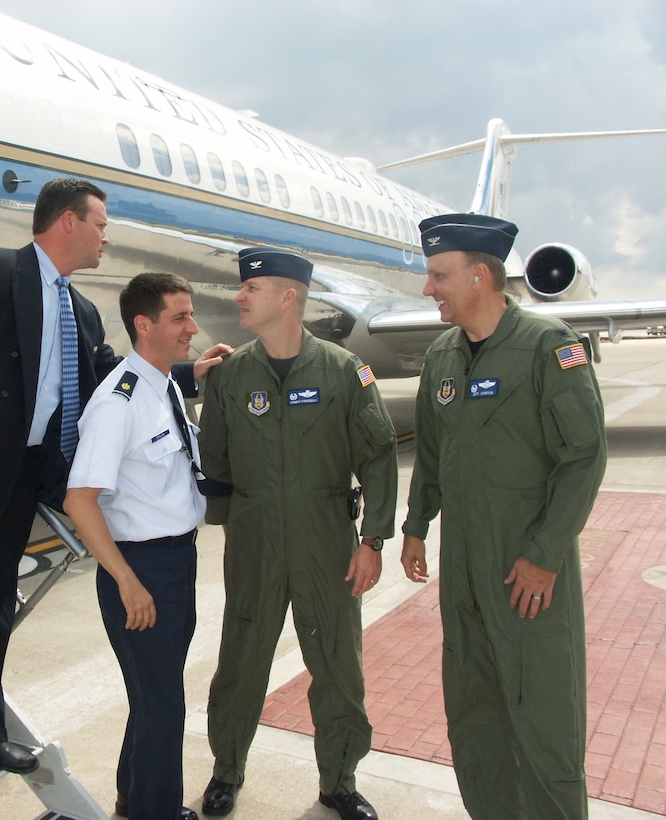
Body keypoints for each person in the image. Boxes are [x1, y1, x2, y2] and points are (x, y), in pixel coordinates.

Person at [0, 178, 220, 807]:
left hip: (13, 487)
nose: (106, 236)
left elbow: (109, 391)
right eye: (100, 224)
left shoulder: (82, 311)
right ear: (68, 222)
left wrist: (189, 375)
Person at [400, 213, 607, 819]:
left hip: (526, 573)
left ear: (480, 276)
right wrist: (416, 526)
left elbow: (583, 457)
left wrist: (544, 556)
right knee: (474, 716)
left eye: (439, 275)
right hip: (462, 572)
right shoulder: (441, 356)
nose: (427, 288)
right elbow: (432, 453)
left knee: (544, 723)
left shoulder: (548, 348)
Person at [197, 248, 398, 820]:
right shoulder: (232, 375)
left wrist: (372, 540)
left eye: (251, 290)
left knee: (337, 663)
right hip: (256, 541)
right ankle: (225, 772)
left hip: (328, 540)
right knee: (241, 660)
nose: (239, 297)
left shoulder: (343, 371)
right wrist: (238, 523)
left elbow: (380, 456)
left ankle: (340, 781)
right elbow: (216, 460)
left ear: (288, 298)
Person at [63, 272, 220, 820]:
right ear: (143, 324)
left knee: (152, 698)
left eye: (190, 314)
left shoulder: (164, 383)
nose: (193, 328)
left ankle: (133, 794)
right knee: (164, 708)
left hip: (176, 561)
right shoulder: (119, 402)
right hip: (143, 570)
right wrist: (127, 581)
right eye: (180, 317)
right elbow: (80, 501)